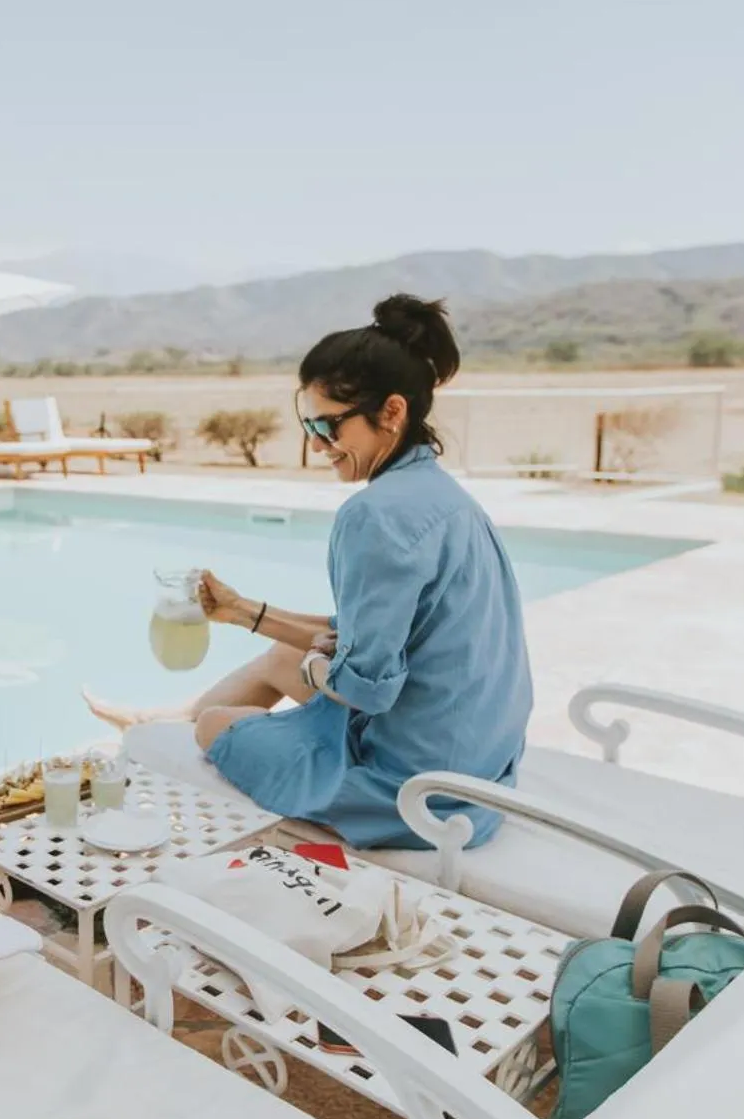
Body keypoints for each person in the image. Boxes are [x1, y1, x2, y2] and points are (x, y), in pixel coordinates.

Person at [87, 295, 532, 849]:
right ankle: (155, 719)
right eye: (307, 424)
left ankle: (183, 723)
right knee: (279, 657)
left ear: (392, 413)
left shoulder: (375, 516)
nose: (317, 444)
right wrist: (240, 610)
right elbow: (369, 634)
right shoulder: (444, 496)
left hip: (420, 791)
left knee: (214, 726)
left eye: (328, 426)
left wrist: (322, 665)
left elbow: (366, 690)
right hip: (481, 762)